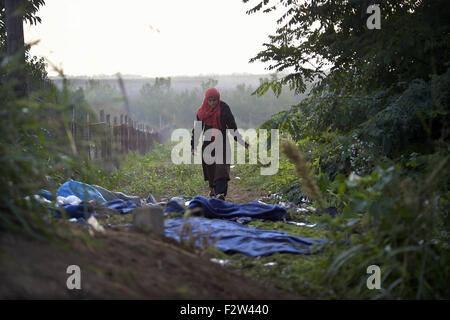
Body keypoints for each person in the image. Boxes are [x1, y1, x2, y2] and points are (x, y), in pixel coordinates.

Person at [191, 88, 249, 201]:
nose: (212, 103)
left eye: (214, 100)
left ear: (218, 99)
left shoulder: (224, 108)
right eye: (210, 100)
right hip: (208, 143)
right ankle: (213, 190)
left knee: (222, 168)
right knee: (211, 168)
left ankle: (220, 194)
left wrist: (241, 142)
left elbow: (232, 127)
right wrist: (193, 146)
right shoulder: (202, 112)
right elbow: (197, 129)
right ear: (206, 100)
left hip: (222, 142)